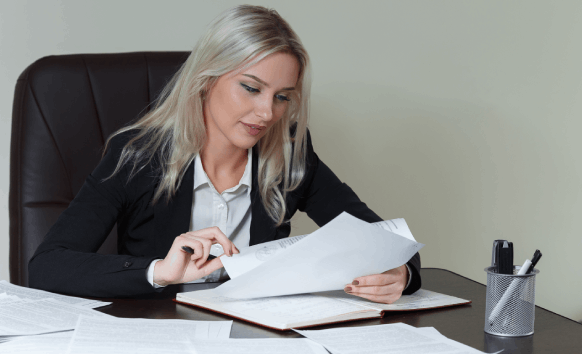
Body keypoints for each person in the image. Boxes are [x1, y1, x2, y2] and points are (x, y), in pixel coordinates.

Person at [29, 5, 421, 302]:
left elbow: (384, 238)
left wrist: (401, 273)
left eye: (282, 97)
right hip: (162, 335)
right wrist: (160, 272)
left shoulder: (290, 155)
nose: (267, 113)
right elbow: (47, 266)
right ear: (206, 79)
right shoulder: (137, 156)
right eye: (251, 88)